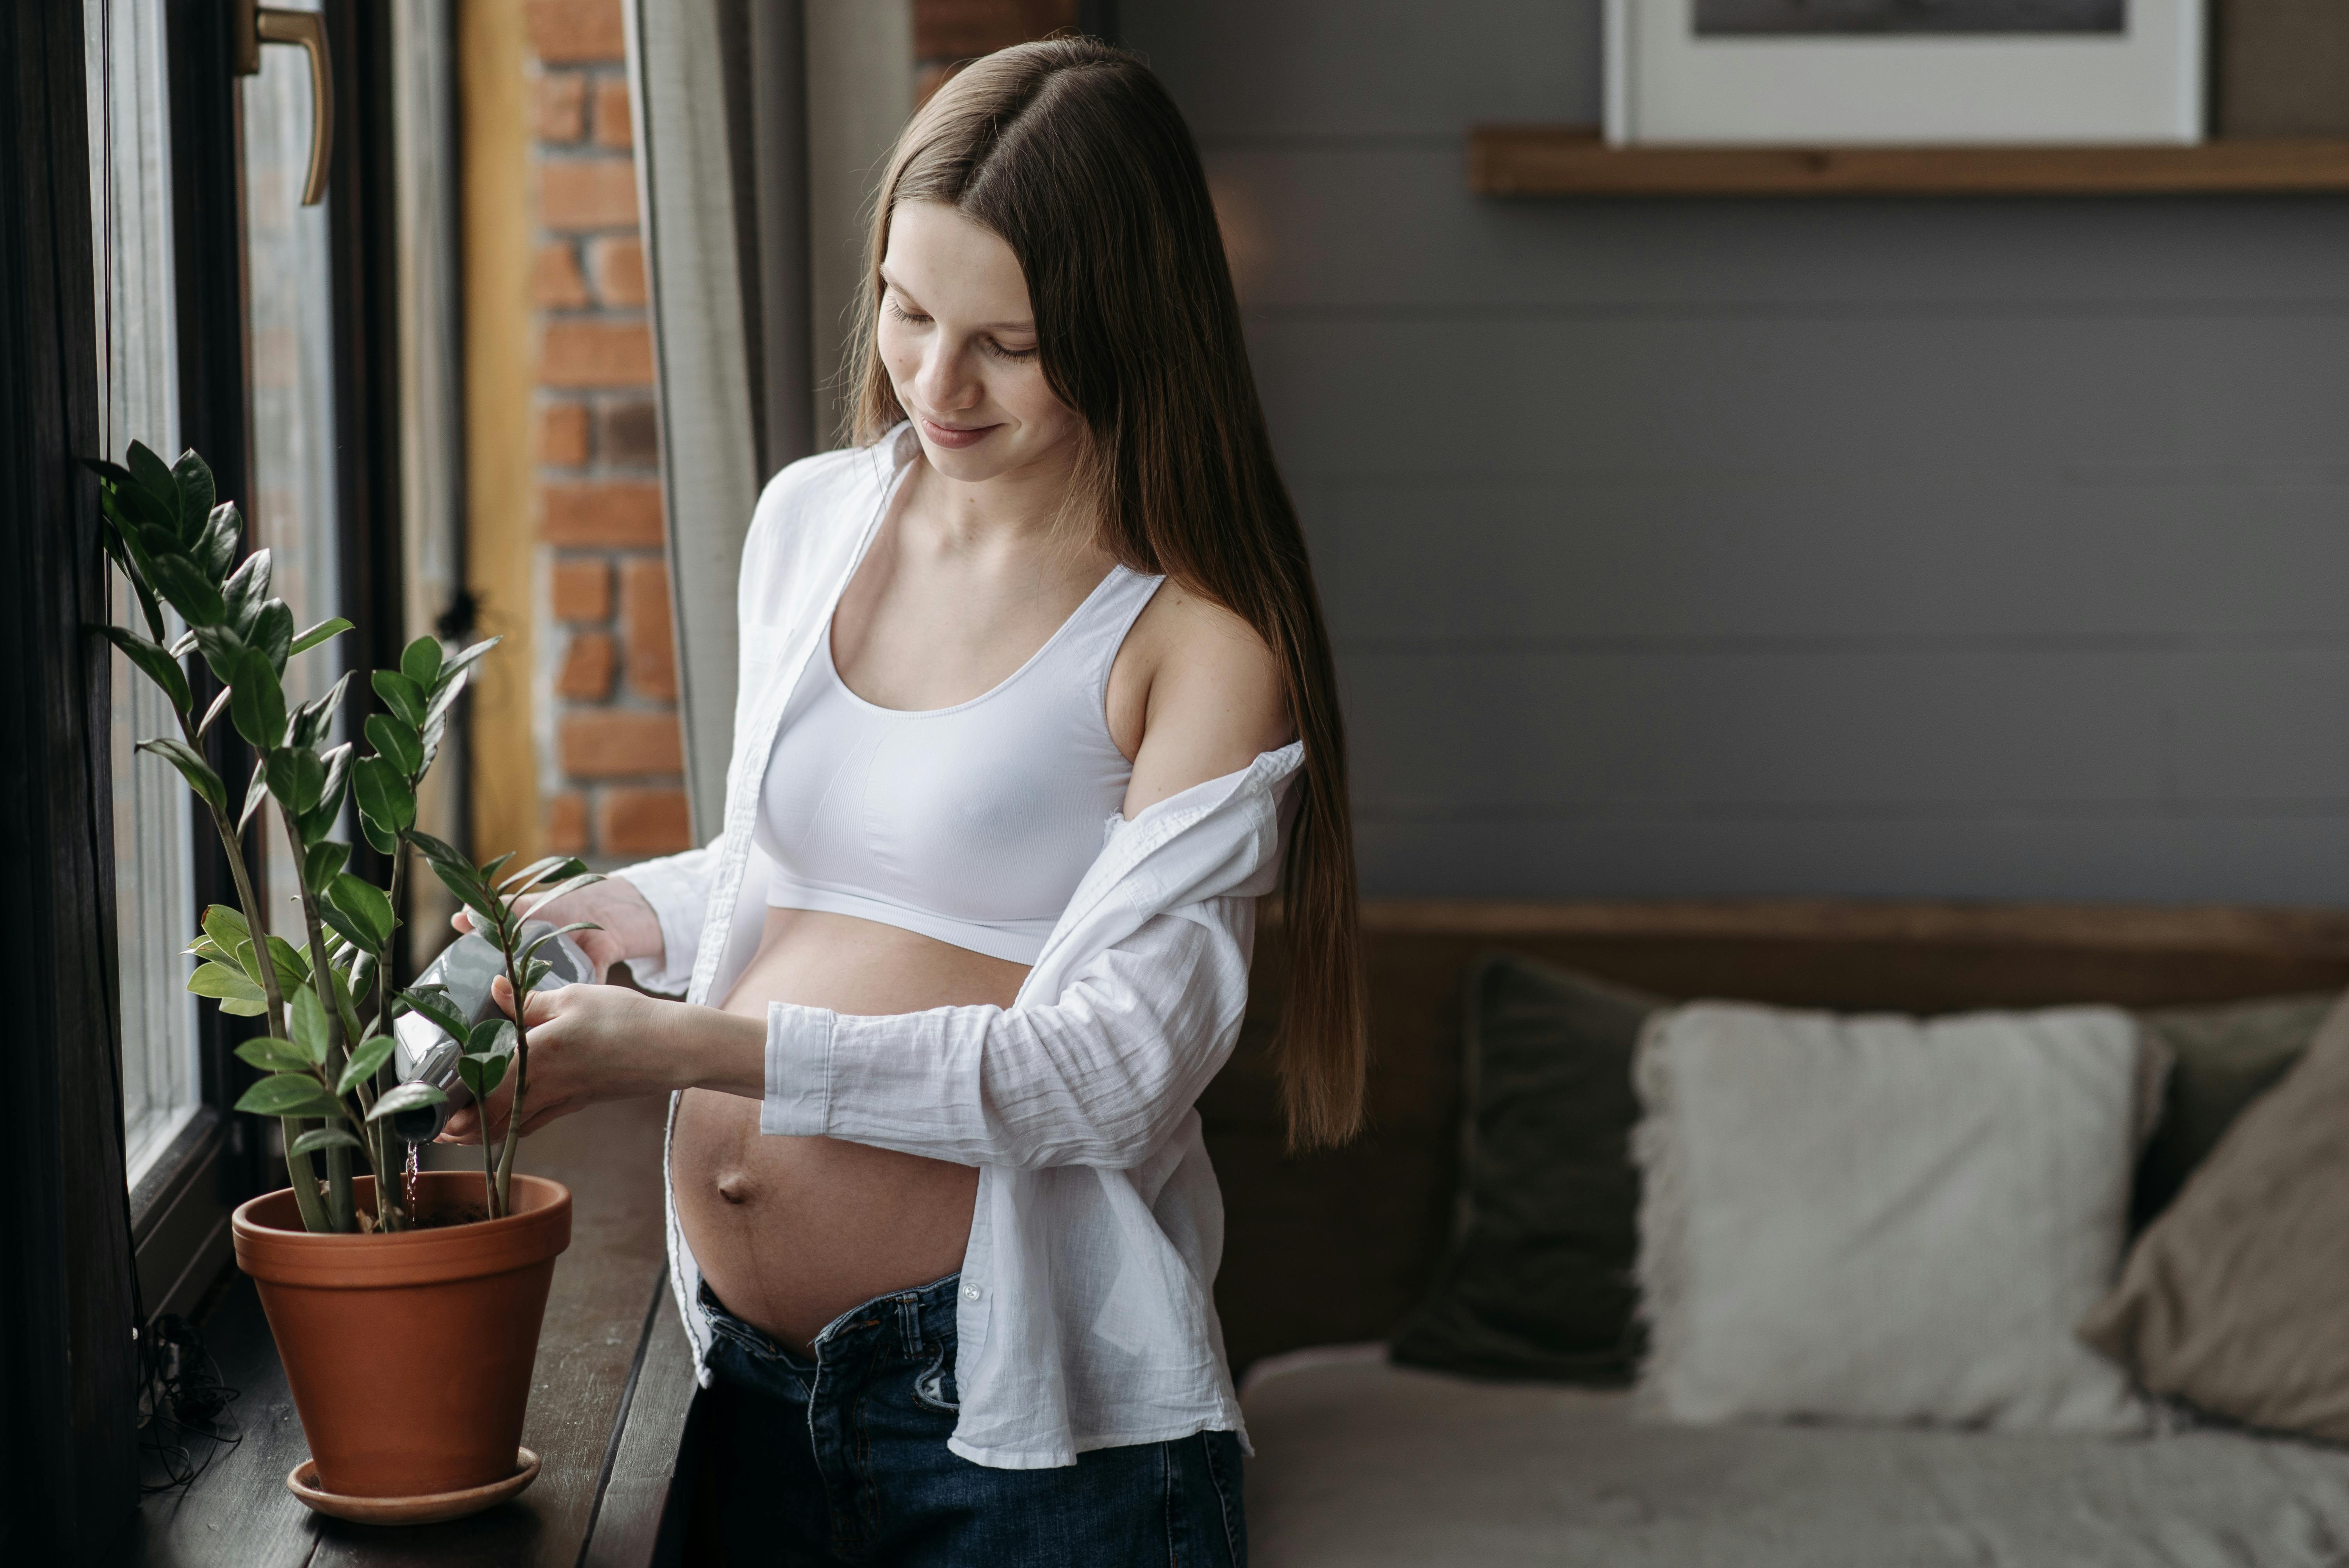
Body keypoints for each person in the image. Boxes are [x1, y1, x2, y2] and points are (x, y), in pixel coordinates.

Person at [440, 36, 1363, 1566]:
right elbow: (804, 868)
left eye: (1005, 339)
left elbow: (1108, 1073)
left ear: (1129, 329)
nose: (935, 381)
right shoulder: (814, 517)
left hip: (1027, 1446)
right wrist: (609, 918)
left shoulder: (1195, 640)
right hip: (741, 1388)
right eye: (907, 306)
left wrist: (682, 1045)